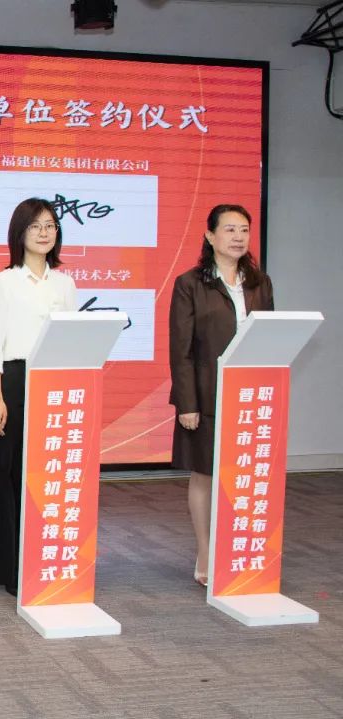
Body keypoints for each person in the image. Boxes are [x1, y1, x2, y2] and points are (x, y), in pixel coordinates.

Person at [169, 204, 273, 586]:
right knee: (205, 475)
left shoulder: (260, 283)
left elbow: (271, 337)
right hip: (207, 395)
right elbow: (180, 349)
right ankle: (205, 553)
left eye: (244, 229)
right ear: (210, 236)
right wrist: (187, 403)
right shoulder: (190, 283)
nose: (238, 237)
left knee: (245, 476)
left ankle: (240, 550)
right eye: (229, 229)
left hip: (251, 397)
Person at [0, 198, 77, 597]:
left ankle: (47, 559)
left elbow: (71, 339)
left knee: (50, 476)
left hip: (55, 382)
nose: (44, 232)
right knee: (14, 475)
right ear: (19, 233)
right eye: (35, 226)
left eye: (50, 225)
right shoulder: (2, 282)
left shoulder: (65, 284)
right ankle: (13, 569)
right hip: (15, 382)